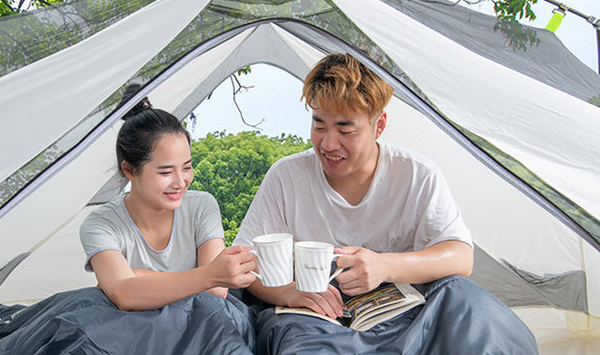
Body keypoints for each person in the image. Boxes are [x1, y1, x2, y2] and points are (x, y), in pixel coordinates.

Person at [234, 53, 474, 319]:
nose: (328, 145)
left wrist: (384, 265)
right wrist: (289, 293)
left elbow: (460, 256)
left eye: (345, 131)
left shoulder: (417, 175)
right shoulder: (286, 176)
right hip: (312, 319)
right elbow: (246, 262)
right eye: (319, 125)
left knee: (467, 304)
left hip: (404, 318)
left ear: (378, 126)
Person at [80, 98, 257, 310]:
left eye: (186, 167)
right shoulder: (100, 224)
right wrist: (210, 274)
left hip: (200, 324)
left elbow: (215, 292)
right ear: (129, 170)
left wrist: (137, 277)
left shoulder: (201, 206)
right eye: (165, 172)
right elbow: (125, 296)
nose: (181, 182)